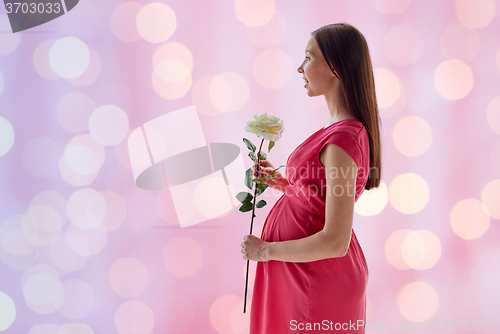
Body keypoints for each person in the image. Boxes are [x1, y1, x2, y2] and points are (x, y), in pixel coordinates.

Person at [241, 23, 382, 334]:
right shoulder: (337, 131)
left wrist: (265, 251)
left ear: (335, 66)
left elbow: (335, 241)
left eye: (308, 57)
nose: (299, 67)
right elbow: (318, 197)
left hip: (314, 280)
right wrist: (279, 182)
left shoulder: (344, 139)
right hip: (300, 273)